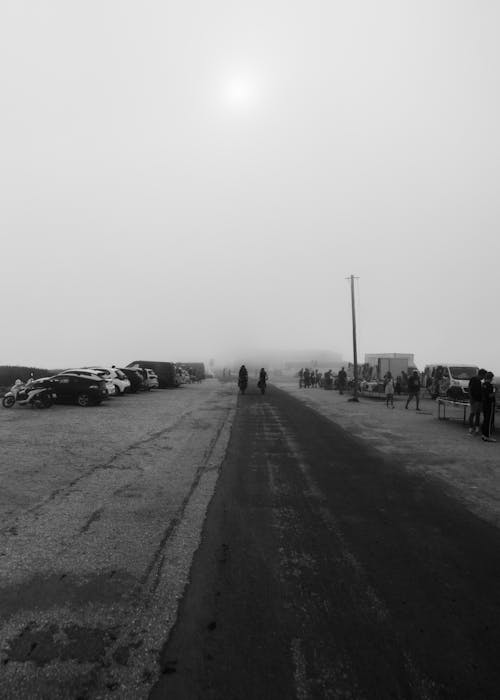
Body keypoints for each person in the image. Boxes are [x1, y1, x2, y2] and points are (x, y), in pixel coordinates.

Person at [468, 368, 487, 436]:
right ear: (481, 375)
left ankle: (476, 429)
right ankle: (470, 429)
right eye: (484, 376)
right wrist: (471, 399)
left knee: (478, 414)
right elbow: (470, 389)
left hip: (479, 400)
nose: (484, 377)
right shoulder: (474, 379)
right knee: (473, 414)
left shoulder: (479, 381)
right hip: (474, 400)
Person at [481, 371, 496, 442]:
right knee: (489, 421)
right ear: (491, 378)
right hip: (490, 404)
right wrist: (496, 391)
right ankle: (487, 436)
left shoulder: (483, 384)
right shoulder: (490, 385)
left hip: (484, 404)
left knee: (485, 420)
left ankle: (483, 435)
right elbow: (490, 395)